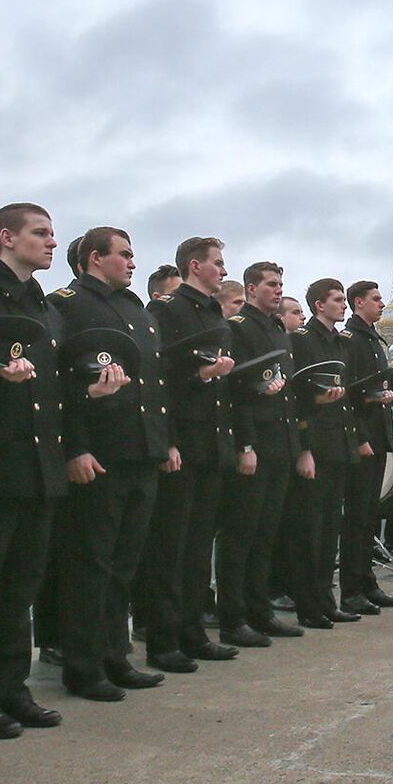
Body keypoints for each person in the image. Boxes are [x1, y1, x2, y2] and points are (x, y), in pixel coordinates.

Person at [0, 203, 97, 738]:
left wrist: (73, 444)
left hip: (39, 468)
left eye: (54, 234)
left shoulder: (47, 311)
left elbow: (55, 393)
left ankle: (11, 688)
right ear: (5, 238)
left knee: (20, 589)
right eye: (40, 234)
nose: (53, 243)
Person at [48, 226, 177, 701]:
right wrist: (74, 447)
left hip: (140, 451)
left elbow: (154, 386)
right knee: (90, 565)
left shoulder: (135, 310)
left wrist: (163, 443)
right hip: (99, 452)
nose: (132, 262)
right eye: (123, 254)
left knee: (124, 564)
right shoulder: (67, 303)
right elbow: (60, 385)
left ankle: (114, 656)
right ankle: (82, 665)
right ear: (95, 258)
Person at [135, 235, 241, 668]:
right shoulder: (166, 309)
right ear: (195, 266)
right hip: (181, 441)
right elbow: (157, 376)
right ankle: (164, 640)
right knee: (170, 546)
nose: (222, 269)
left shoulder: (213, 311)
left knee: (198, 548)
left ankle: (193, 631)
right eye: (217, 263)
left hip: (211, 441)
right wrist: (169, 440)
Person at [217, 261, 307, 647]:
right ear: (251, 289)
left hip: (280, 444)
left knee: (266, 536)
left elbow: (285, 393)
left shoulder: (276, 330)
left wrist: (296, 446)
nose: (277, 290)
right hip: (255, 445)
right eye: (271, 284)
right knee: (241, 537)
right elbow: (235, 393)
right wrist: (246, 444)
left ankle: (261, 610)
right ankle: (233, 618)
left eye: (280, 284)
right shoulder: (238, 328)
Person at [283, 279, 360, 628]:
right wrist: (304, 448)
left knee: (331, 529)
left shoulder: (339, 343)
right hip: (316, 445)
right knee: (309, 531)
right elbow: (296, 398)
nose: (344, 305)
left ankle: (326, 600)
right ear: (319, 305)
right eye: (338, 300)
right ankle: (308, 604)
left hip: (338, 444)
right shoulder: (301, 341)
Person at [342, 280, 393, 612]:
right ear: (358, 303)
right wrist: (360, 439)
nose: (382, 304)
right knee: (357, 518)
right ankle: (352, 590)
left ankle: (367, 583)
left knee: (369, 517)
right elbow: (350, 395)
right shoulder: (352, 340)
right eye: (376, 299)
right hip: (365, 438)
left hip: (378, 434)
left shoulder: (372, 339)